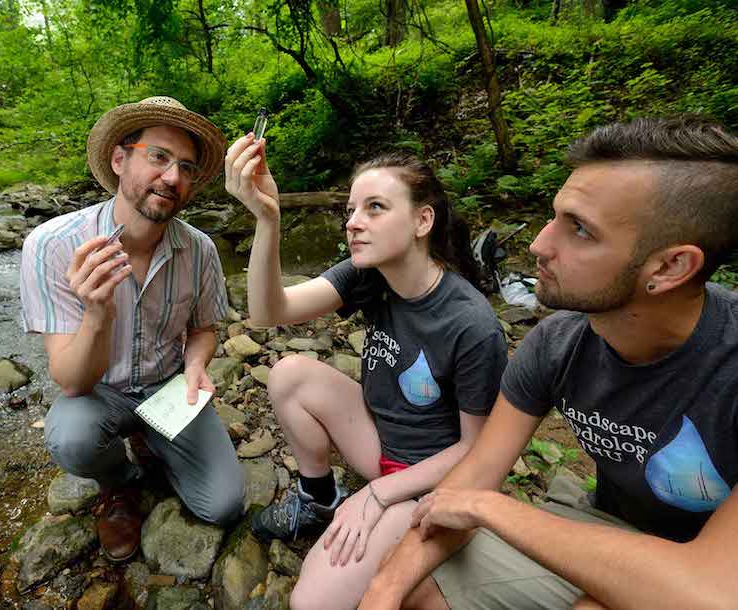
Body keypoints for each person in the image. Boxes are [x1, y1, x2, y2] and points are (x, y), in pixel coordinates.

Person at [359, 115, 738, 610]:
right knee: (413, 587)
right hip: (607, 527)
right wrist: (383, 590)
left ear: (670, 266)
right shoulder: (558, 342)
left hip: (713, 571)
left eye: (579, 229)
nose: (538, 244)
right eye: (555, 215)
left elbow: (710, 591)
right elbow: (473, 475)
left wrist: (490, 509)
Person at [225, 136, 508, 609]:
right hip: (379, 444)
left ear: (423, 220)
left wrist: (378, 496)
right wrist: (266, 218)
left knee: (310, 603)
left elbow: (476, 449)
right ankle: (318, 497)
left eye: (375, 208)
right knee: (290, 373)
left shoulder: (471, 323)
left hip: (433, 479)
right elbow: (267, 311)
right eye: (353, 209)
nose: (354, 223)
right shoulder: (369, 274)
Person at [20, 96, 246, 563]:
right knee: (70, 438)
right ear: (120, 159)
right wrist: (97, 310)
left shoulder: (200, 250)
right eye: (158, 157)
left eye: (185, 167)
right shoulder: (52, 245)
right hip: (98, 392)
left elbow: (204, 328)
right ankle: (118, 483)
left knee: (222, 506)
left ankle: (151, 437)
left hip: (167, 386)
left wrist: (198, 365)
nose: (172, 177)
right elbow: (71, 380)